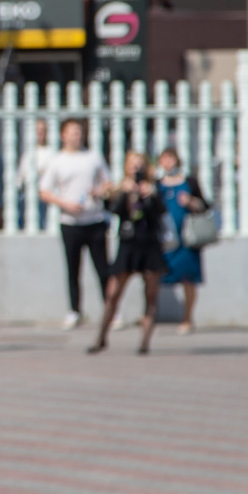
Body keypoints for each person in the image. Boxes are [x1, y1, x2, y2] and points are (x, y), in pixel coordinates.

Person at [89, 152, 168, 356]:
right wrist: (124, 194)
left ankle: (144, 343)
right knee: (113, 293)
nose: (136, 170)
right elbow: (113, 210)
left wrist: (151, 194)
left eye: (140, 165)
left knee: (150, 296)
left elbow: (161, 212)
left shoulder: (154, 187)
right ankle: (101, 338)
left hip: (150, 244)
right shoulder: (121, 187)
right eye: (133, 165)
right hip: (128, 245)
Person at [39, 119, 112, 330]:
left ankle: (110, 310)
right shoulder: (58, 161)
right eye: (72, 132)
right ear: (63, 135)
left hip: (95, 220)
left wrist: (99, 191)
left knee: (102, 268)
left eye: (79, 132)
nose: (76, 136)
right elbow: (44, 191)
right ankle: (75, 310)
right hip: (70, 222)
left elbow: (108, 183)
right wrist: (65, 203)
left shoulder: (93, 157)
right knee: (73, 268)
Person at [156, 147, 208, 335]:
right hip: (165, 239)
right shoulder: (157, 185)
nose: (168, 163)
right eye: (164, 159)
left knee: (188, 278)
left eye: (171, 158)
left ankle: (187, 317)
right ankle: (151, 314)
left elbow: (205, 205)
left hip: (186, 238)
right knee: (156, 277)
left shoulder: (189, 182)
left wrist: (191, 202)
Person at [15, 117, 53, 230]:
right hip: (28, 196)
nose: (40, 133)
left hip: (44, 196)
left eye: (42, 130)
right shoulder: (28, 153)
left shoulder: (51, 151)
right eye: (37, 130)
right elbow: (20, 177)